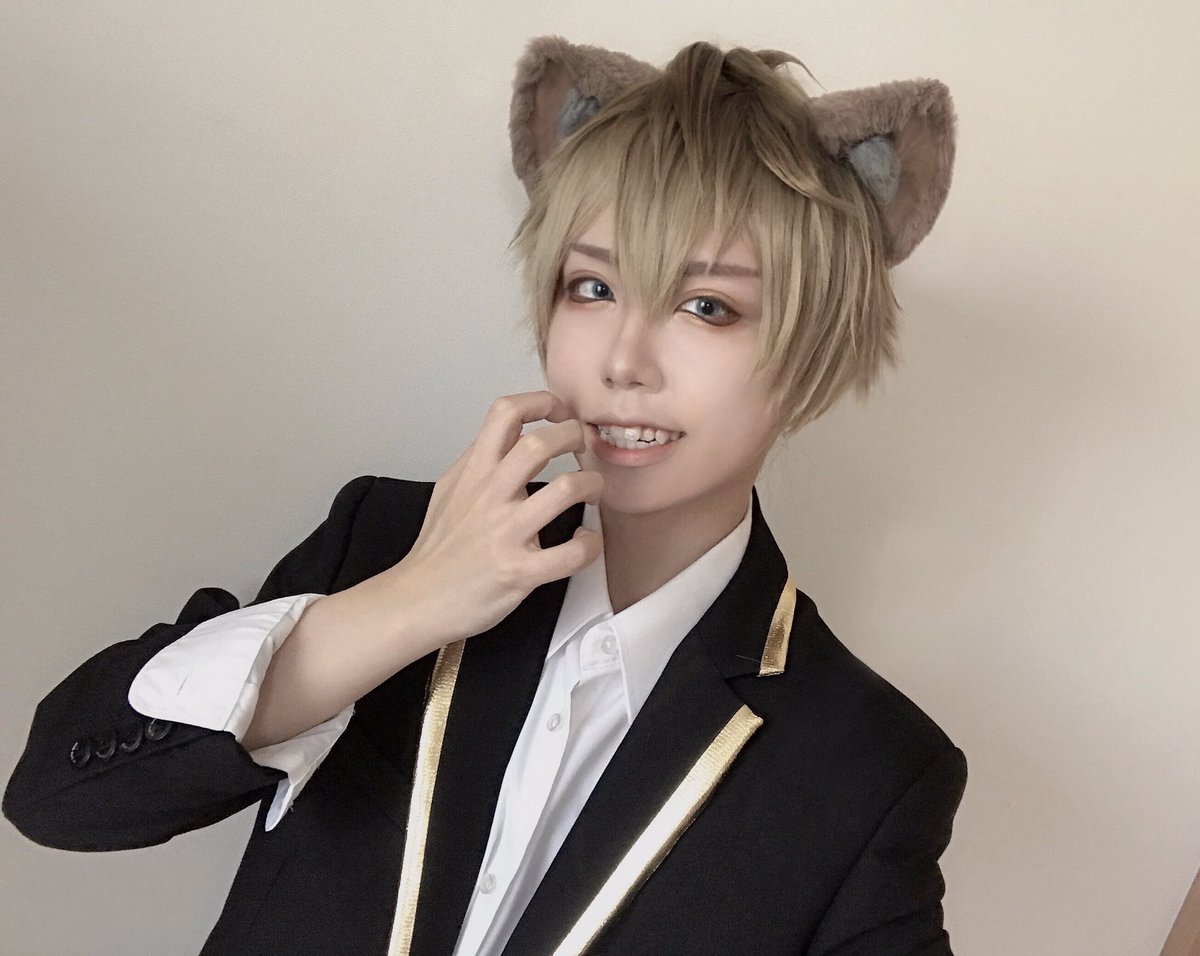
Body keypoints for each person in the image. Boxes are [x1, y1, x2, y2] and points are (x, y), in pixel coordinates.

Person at [4, 36, 968, 956]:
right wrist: (411, 600)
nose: (623, 360)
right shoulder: (385, 541)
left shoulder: (868, 767)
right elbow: (57, 795)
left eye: (706, 305)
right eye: (592, 288)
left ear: (811, 351)